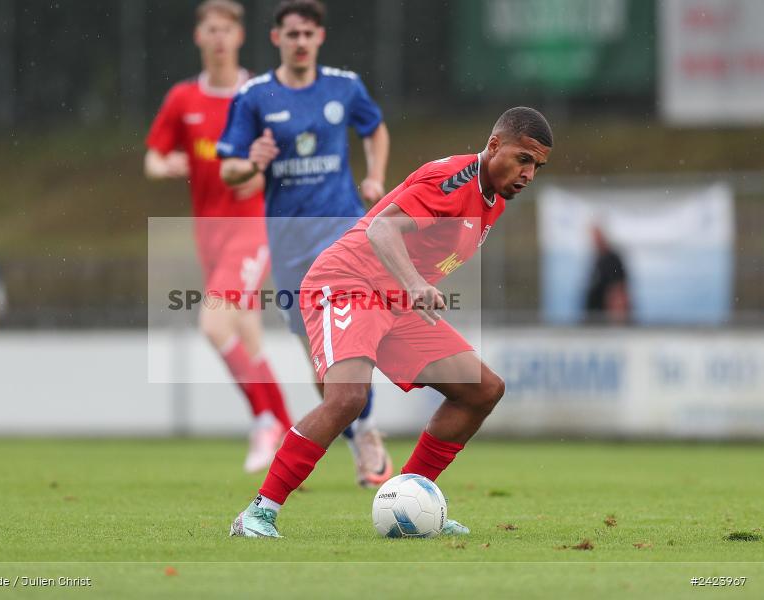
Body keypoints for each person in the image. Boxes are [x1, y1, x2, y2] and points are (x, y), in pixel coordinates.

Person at [229, 107, 554, 538]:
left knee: (482, 390)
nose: (529, 173)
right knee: (346, 398)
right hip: (348, 283)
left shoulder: (493, 197)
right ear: (494, 145)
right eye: (523, 159)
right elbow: (381, 229)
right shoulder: (453, 179)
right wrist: (416, 283)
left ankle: (410, 499)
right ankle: (257, 513)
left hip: (396, 301)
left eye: (537, 166)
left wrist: (410, 287)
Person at [218, 0, 393, 487]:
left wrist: (375, 175)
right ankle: (356, 427)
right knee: (319, 355)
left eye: (308, 34)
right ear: (276, 38)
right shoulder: (254, 96)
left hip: (342, 229)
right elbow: (229, 169)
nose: (300, 42)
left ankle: (366, 429)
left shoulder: (344, 86)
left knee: (355, 338)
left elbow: (374, 129)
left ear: (320, 38)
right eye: (291, 34)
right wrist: (252, 160)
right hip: (289, 241)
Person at [145, 0, 292, 473]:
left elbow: (287, 157)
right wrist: (165, 165)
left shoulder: (259, 95)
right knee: (248, 340)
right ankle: (291, 446)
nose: (220, 38)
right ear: (199, 37)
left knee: (212, 324)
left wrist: (261, 172)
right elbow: (152, 157)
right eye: (212, 29)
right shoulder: (182, 99)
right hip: (208, 234)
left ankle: (264, 420)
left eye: (227, 29)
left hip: (253, 227)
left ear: (239, 37)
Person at [584, 224, 630, 324]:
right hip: (595, 321)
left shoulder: (613, 259)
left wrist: (616, 318)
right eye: (593, 238)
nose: (595, 241)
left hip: (607, 322)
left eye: (597, 237)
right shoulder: (597, 260)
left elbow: (618, 290)